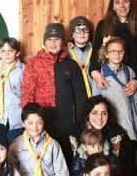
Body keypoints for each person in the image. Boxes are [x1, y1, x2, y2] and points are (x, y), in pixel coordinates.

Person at [21, 23, 87, 166]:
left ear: (62, 42)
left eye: (57, 39)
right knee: (45, 159)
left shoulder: (71, 65)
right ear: (44, 42)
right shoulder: (34, 63)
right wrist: (28, 119)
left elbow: (80, 95)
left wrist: (80, 122)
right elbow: (27, 91)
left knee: (68, 159)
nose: (53, 42)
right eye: (49, 39)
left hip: (67, 123)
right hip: (43, 122)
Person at [90, 0, 137, 92]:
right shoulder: (103, 26)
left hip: (133, 83)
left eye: (125, 1)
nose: (122, 6)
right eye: (117, 2)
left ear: (130, 4)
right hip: (108, 82)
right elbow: (95, 56)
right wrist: (95, 73)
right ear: (113, 6)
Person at [81, 96, 137, 176]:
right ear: (87, 114)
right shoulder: (78, 132)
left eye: (104, 113)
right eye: (94, 113)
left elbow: (128, 163)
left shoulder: (117, 133)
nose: (99, 117)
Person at [94, 37, 137, 141]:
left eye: (120, 51)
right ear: (106, 54)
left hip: (131, 126)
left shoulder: (130, 72)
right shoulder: (99, 75)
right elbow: (95, 105)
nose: (117, 54)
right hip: (110, 127)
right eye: (113, 51)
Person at [68, 16, 98, 97]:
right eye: (78, 30)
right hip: (74, 96)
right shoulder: (66, 52)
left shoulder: (96, 50)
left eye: (85, 29)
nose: (82, 33)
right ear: (72, 34)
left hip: (94, 95)